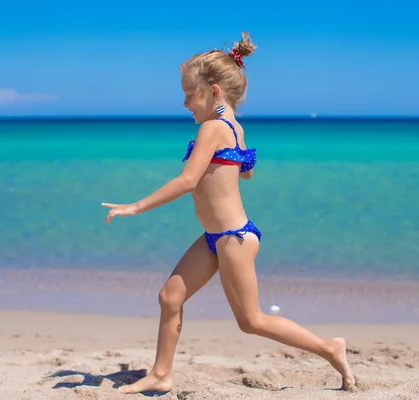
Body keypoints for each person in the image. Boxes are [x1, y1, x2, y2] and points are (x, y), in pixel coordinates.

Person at [101, 32, 355, 395]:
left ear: (214, 91)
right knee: (170, 297)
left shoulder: (212, 127)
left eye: (190, 94)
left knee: (251, 321)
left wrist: (136, 206)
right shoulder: (234, 126)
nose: (185, 102)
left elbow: (188, 180)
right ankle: (160, 374)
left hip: (234, 238)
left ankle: (330, 348)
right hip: (214, 238)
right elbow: (246, 171)